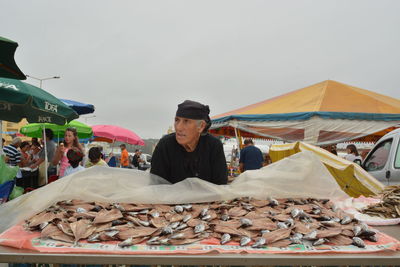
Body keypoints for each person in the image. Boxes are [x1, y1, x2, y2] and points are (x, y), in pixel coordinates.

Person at [150, 100, 228, 185]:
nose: (178, 128)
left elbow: (220, 184)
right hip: (171, 198)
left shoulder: (213, 146)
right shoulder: (165, 146)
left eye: (186, 121)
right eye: (177, 120)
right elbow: (156, 185)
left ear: (201, 126)